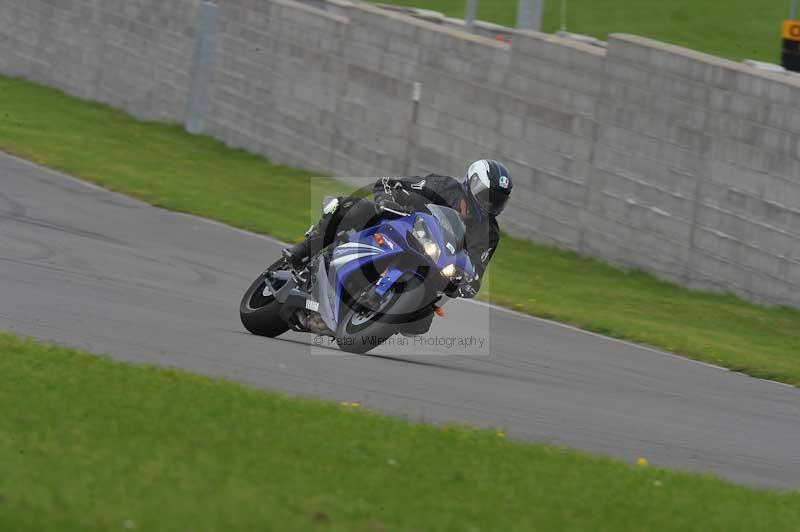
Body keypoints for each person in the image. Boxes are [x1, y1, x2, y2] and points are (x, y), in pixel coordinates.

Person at [282, 159, 513, 299]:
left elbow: (475, 273)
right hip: (400, 229)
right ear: (472, 183)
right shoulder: (443, 187)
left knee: (420, 323)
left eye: (498, 201)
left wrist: (462, 283)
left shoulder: (489, 234)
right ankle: (303, 250)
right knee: (353, 208)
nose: (492, 204)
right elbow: (393, 184)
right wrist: (388, 198)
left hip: (432, 267)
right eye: (488, 196)